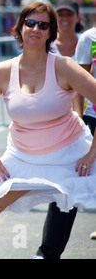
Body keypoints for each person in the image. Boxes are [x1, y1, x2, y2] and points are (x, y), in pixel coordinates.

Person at [0, 2, 96, 259]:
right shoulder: (4, 71)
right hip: (22, 157)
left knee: (67, 204)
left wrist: (93, 151)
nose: (35, 28)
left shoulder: (64, 66)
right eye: (30, 23)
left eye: (43, 25)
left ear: (50, 33)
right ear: (20, 28)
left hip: (70, 156)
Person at [33, 0, 83, 259]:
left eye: (68, 14)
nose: (64, 19)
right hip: (65, 124)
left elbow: (78, 85)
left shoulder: (87, 43)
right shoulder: (46, 46)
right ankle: (48, 251)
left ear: (77, 17)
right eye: (59, 15)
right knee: (65, 187)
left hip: (84, 117)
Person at [75, 19, 96, 243]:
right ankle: (49, 248)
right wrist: (78, 119)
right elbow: (79, 83)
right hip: (92, 114)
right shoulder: (89, 38)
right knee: (80, 174)